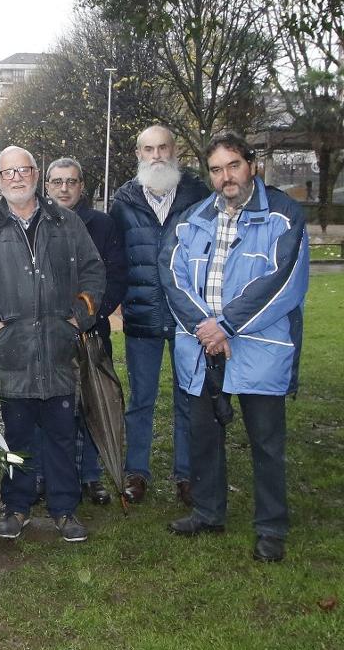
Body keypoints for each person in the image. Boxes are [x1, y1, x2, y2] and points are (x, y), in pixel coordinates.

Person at [161, 131, 308, 562]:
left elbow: (282, 283)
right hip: (204, 348)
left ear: (252, 165)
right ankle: (208, 512)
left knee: (266, 441)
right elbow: (173, 276)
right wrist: (205, 328)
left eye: (234, 165)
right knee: (204, 435)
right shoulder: (192, 218)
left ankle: (271, 527)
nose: (226, 176)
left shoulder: (284, 215)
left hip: (259, 347)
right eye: (216, 169)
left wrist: (224, 325)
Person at [0, 146, 106, 543]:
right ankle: (17, 507)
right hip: (13, 350)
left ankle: (64, 510)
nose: (16, 178)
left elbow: (94, 273)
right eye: (7, 173)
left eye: (23, 170)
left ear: (36, 175)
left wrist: (78, 316)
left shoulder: (67, 223)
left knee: (61, 434)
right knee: (17, 436)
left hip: (58, 349)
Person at [109, 125, 210, 505]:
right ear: (138, 154)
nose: (156, 155)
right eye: (148, 149)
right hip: (141, 316)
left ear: (175, 149)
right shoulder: (124, 200)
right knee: (141, 399)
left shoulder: (199, 195)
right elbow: (114, 257)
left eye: (162, 147)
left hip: (188, 318)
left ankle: (186, 475)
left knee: (188, 396)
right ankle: (137, 472)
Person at [43, 157, 127, 504]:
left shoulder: (103, 225)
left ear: (82, 186)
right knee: (54, 407)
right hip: (47, 333)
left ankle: (92, 476)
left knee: (92, 403)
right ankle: (48, 476)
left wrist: (89, 316)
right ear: (46, 186)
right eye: (57, 181)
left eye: (71, 181)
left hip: (89, 331)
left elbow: (116, 277)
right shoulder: (36, 223)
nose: (64, 188)